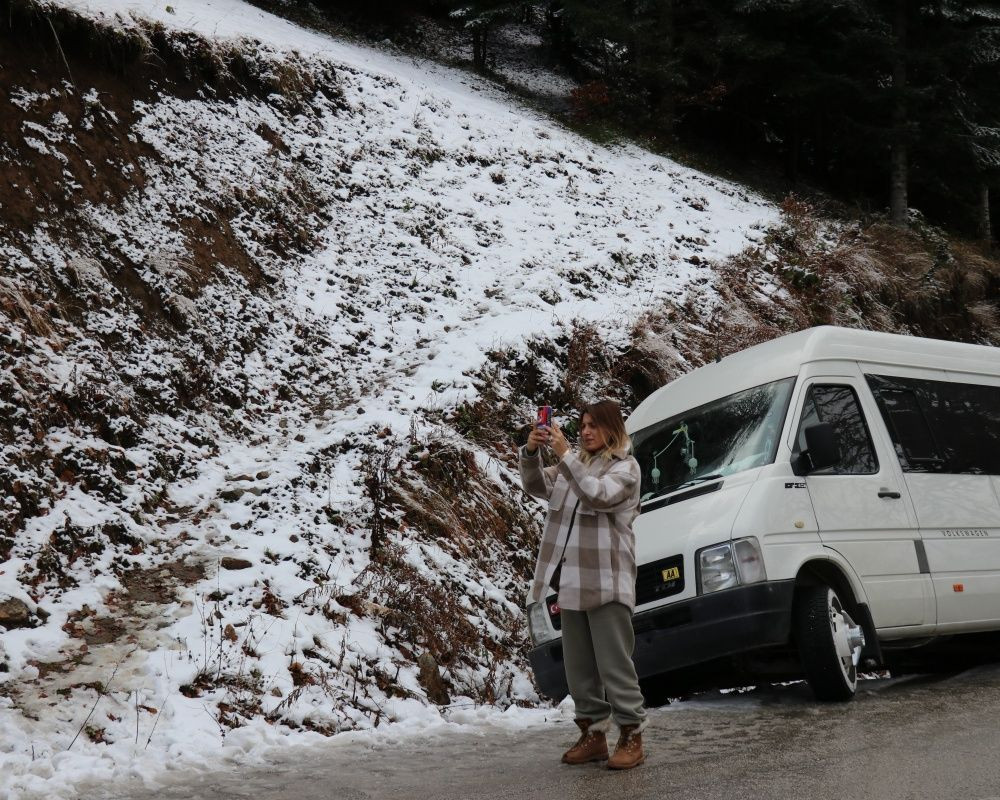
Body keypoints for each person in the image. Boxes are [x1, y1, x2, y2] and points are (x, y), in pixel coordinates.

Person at [519, 399, 647, 770]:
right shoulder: (576, 466)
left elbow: (598, 494)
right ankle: (593, 734)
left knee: (614, 665)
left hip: (608, 579)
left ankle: (631, 735)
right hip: (572, 581)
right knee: (579, 668)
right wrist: (531, 451)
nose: (586, 432)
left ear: (613, 428)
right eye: (583, 426)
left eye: (594, 425)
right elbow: (535, 484)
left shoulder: (626, 467)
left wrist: (566, 456)